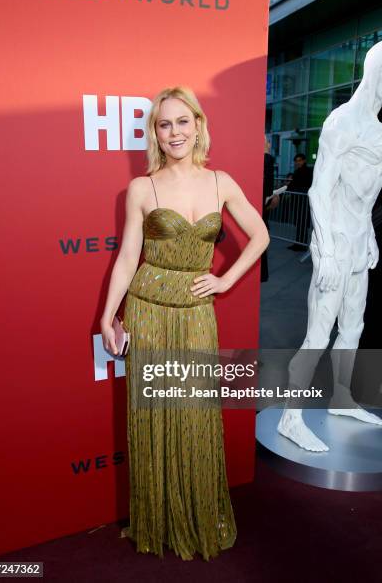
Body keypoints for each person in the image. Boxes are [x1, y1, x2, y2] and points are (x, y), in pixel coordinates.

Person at [100, 86, 269, 560]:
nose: (174, 132)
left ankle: (197, 517)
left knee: (194, 417)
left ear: (198, 124)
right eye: (163, 124)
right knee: (154, 418)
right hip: (149, 311)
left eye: (181, 121)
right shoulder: (143, 188)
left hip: (196, 315)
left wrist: (225, 280)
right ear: (155, 132)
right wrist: (108, 315)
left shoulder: (221, 182)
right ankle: (157, 523)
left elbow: (260, 235)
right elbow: (129, 255)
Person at [277, 42, 382, 452]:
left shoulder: (377, 128)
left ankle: (341, 397)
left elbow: (366, 192)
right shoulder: (342, 121)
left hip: (359, 241)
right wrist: (327, 249)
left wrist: (369, 235)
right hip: (335, 242)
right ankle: (290, 416)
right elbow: (320, 189)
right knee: (317, 334)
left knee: (353, 326)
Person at [261, 136, 279, 281]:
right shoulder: (264, 160)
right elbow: (265, 186)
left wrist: (273, 194)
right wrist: (266, 153)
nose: (268, 143)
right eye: (266, 141)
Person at [286, 153, 313, 251]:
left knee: (302, 223)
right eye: (296, 161)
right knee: (299, 223)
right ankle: (299, 243)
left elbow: (299, 185)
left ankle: (301, 244)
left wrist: (289, 185)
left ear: (304, 160)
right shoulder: (298, 171)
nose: (298, 162)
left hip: (302, 201)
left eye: (299, 160)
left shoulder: (306, 172)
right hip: (299, 201)